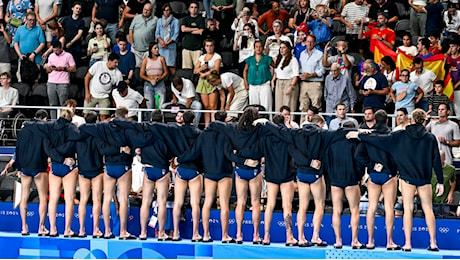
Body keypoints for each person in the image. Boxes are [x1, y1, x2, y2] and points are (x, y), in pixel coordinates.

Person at [347, 108, 444, 252]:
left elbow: (380, 138)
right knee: (428, 209)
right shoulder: (430, 138)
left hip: (406, 178)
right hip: (424, 178)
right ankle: (433, 242)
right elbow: (436, 160)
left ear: (411, 119)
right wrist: (440, 181)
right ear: (424, 121)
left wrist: (360, 135)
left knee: (407, 210)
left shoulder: (401, 135)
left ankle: (407, 243)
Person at [177, 111, 244, 243]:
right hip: (224, 172)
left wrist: (180, 159)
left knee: (207, 203)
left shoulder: (203, 135)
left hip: (208, 173)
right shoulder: (226, 135)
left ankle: (206, 234)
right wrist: (243, 160)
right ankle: (225, 236)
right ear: (225, 120)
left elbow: (194, 152)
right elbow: (229, 155)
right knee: (224, 204)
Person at [207, 107, 265, 244]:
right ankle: (256, 236)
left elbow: (214, 124)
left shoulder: (234, 129)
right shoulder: (259, 130)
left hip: (240, 169)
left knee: (241, 202)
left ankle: (239, 234)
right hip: (254, 169)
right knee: (255, 203)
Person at [240, 114, 298, 246]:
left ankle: (266, 236)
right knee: (287, 207)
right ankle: (289, 237)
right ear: (283, 123)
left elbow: (258, 153)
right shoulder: (286, 137)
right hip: (286, 175)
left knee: (269, 206)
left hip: (271, 175)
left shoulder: (265, 138)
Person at [79, 106, 135, 239]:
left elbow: (103, 149)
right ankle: (122, 232)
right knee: (123, 199)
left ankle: (107, 231)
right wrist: (122, 150)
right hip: (123, 166)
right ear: (126, 116)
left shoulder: (105, 129)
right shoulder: (128, 129)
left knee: (106, 199)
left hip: (109, 167)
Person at [122, 110, 173, 240]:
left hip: (148, 170)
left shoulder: (145, 132)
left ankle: (143, 233)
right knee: (161, 202)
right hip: (161, 169)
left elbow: (138, 149)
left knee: (145, 202)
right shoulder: (166, 133)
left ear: (150, 119)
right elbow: (170, 152)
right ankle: (161, 233)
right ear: (162, 120)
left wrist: (141, 155)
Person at [354, 110, 400, 250]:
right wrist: (392, 169)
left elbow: (358, 155)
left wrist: (372, 165)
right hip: (388, 175)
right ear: (387, 120)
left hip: (374, 174)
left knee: (371, 207)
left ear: (374, 119)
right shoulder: (392, 135)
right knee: (389, 208)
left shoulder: (369, 136)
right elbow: (397, 155)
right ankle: (389, 242)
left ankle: (370, 241)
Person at [325, 120, 365, 249]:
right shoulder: (355, 142)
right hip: (351, 178)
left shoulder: (332, 142)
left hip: (336, 178)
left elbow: (327, 160)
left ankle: (338, 241)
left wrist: (331, 176)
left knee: (336, 210)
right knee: (354, 210)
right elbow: (359, 161)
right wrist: (359, 177)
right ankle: (354, 241)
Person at [42, 108, 80, 237]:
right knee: (69, 199)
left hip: (55, 166)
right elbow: (72, 144)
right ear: (71, 117)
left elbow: (47, 148)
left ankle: (52, 229)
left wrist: (57, 158)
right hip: (68, 165)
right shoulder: (72, 128)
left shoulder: (50, 127)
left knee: (53, 199)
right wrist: (64, 159)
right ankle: (67, 230)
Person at [15, 110, 49, 237]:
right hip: (39, 166)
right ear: (44, 119)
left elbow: (17, 149)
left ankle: (24, 227)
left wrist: (18, 167)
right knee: (43, 197)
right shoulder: (43, 130)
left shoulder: (23, 130)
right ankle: (41, 227)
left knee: (24, 197)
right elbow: (46, 148)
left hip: (24, 167)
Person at [84, 53, 123, 120]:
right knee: (86, 115)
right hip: (92, 95)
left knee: (104, 117)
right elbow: (87, 77)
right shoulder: (98, 65)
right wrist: (87, 93)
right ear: (110, 61)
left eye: (117, 62)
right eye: (115, 62)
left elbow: (119, 88)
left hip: (105, 97)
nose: (117, 64)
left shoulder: (118, 73)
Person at [44, 41, 76, 119]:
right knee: (52, 104)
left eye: (57, 50)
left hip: (63, 82)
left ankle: (64, 120)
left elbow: (74, 68)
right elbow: (48, 70)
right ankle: (53, 121)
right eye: (54, 50)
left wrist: (63, 68)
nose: (56, 52)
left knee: (63, 104)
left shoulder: (68, 56)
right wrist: (48, 68)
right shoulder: (51, 56)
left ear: (61, 48)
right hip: (51, 81)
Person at [194, 38, 222, 127]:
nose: (209, 48)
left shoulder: (217, 56)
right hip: (203, 82)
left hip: (212, 80)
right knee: (206, 106)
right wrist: (201, 69)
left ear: (213, 47)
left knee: (213, 105)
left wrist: (205, 73)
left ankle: (214, 125)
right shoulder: (202, 57)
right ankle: (207, 126)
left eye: (211, 46)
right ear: (205, 47)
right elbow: (195, 70)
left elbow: (216, 69)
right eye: (207, 46)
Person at [13, 11, 46, 83]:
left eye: (33, 20)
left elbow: (42, 43)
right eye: (30, 20)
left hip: (35, 58)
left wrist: (34, 53)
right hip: (23, 58)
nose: (32, 22)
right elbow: (15, 43)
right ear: (26, 20)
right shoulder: (20, 29)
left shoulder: (38, 29)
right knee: (21, 79)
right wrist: (20, 55)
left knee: (36, 79)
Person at [299, 34, 325, 121]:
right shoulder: (302, 54)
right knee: (303, 107)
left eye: (311, 42)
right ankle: (302, 126)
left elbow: (322, 70)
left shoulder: (320, 54)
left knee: (316, 106)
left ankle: (317, 125)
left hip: (315, 83)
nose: (309, 44)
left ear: (314, 43)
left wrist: (311, 75)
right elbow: (300, 68)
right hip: (304, 83)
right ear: (305, 42)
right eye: (308, 41)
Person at [243, 40, 273, 112]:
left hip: (264, 84)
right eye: (256, 47)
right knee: (253, 107)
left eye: (260, 47)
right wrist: (246, 82)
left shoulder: (267, 58)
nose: (258, 48)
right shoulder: (249, 59)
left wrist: (272, 80)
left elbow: (276, 68)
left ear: (263, 48)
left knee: (266, 105)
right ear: (254, 48)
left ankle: (267, 121)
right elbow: (245, 71)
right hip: (252, 85)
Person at [272, 41, 299, 115]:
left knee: (288, 104)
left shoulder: (293, 60)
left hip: (289, 82)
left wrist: (291, 87)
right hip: (279, 82)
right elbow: (276, 71)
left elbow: (296, 75)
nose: (281, 49)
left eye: (284, 48)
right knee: (278, 105)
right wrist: (273, 81)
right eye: (280, 48)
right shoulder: (279, 59)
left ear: (288, 49)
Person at [140, 42, 168, 110]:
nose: (157, 50)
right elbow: (141, 74)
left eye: (158, 48)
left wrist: (160, 78)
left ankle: (159, 119)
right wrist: (150, 80)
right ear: (151, 50)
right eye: (155, 48)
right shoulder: (146, 60)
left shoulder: (161, 58)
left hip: (159, 83)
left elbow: (166, 71)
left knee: (160, 104)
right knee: (149, 104)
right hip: (149, 83)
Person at [128, 2, 157, 67]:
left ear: (151, 11)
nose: (145, 11)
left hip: (148, 50)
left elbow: (157, 33)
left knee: (148, 67)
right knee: (137, 68)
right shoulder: (136, 18)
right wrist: (132, 43)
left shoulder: (155, 20)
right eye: (144, 9)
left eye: (148, 10)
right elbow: (131, 30)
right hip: (136, 49)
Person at [155, 3, 180, 76]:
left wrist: (167, 43)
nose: (166, 12)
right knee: (161, 66)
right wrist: (162, 42)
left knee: (171, 66)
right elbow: (157, 33)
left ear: (170, 11)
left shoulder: (175, 21)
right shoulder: (159, 21)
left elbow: (176, 34)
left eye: (168, 10)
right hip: (161, 46)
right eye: (165, 10)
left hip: (170, 46)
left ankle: (174, 81)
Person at [431, 150, 456, 217]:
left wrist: (450, 193)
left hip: (444, 200)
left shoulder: (451, 169)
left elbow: (453, 182)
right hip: (431, 199)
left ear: (444, 158)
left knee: (446, 217)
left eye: (440, 158)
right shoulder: (430, 168)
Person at [181, 1, 205, 70]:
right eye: (192, 7)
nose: (193, 9)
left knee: (198, 70)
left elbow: (200, 31)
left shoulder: (201, 19)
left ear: (198, 9)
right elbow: (183, 29)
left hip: (197, 49)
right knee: (186, 70)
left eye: (195, 7)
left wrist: (188, 30)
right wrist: (195, 29)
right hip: (186, 48)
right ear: (189, 9)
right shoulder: (185, 19)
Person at [60, 1, 85, 66]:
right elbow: (60, 29)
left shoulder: (81, 21)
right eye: (77, 8)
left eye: (79, 9)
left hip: (76, 45)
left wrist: (71, 42)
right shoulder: (66, 19)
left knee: (75, 64)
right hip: (66, 44)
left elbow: (79, 34)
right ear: (72, 8)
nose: (78, 10)